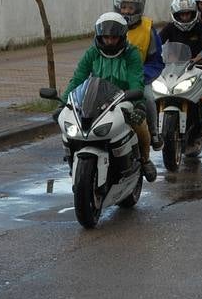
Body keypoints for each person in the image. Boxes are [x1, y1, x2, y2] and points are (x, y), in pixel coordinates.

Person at [66, 12, 158, 181]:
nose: (109, 41)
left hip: (123, 100)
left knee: (141, 127)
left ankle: (145, 160)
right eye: (106, 37)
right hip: (94, 100)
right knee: (71, 129)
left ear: (122, 37)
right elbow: (78, 79)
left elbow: (136, 81)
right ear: (99, 36)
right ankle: (72, 160)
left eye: (114, 38)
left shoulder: (132, 55)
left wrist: (138, 104)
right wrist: (64, 103)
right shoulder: (92, 53)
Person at [113, 0, 163, 154]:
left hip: (140, 78)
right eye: (124, 7)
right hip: (112, 78)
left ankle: (154, 134)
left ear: (139, 8)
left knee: (148, 98)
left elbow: (156, 61)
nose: (127, 11)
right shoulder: (109, 25)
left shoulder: (148, 29)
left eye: (131, 7)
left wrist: (143, 75)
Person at [160, 0, 202, 122]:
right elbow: (157, 43)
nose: (185, 17)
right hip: (173, 68)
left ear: (194, 13)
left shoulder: (200, 26)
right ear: (176, 15)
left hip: (198, 66)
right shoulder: (170, 27)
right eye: (182, 14)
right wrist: (156, 56)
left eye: (188, 14)